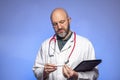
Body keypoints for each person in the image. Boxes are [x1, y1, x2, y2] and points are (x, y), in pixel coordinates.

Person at [33, 8, 99, 80]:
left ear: (69, 20)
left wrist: (76, 75)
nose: (59, 27)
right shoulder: (45, 45)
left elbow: (94, 74)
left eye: (62, 22)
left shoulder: (85, 44)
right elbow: (36, 70)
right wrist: (44, 72)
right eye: (55, 24)